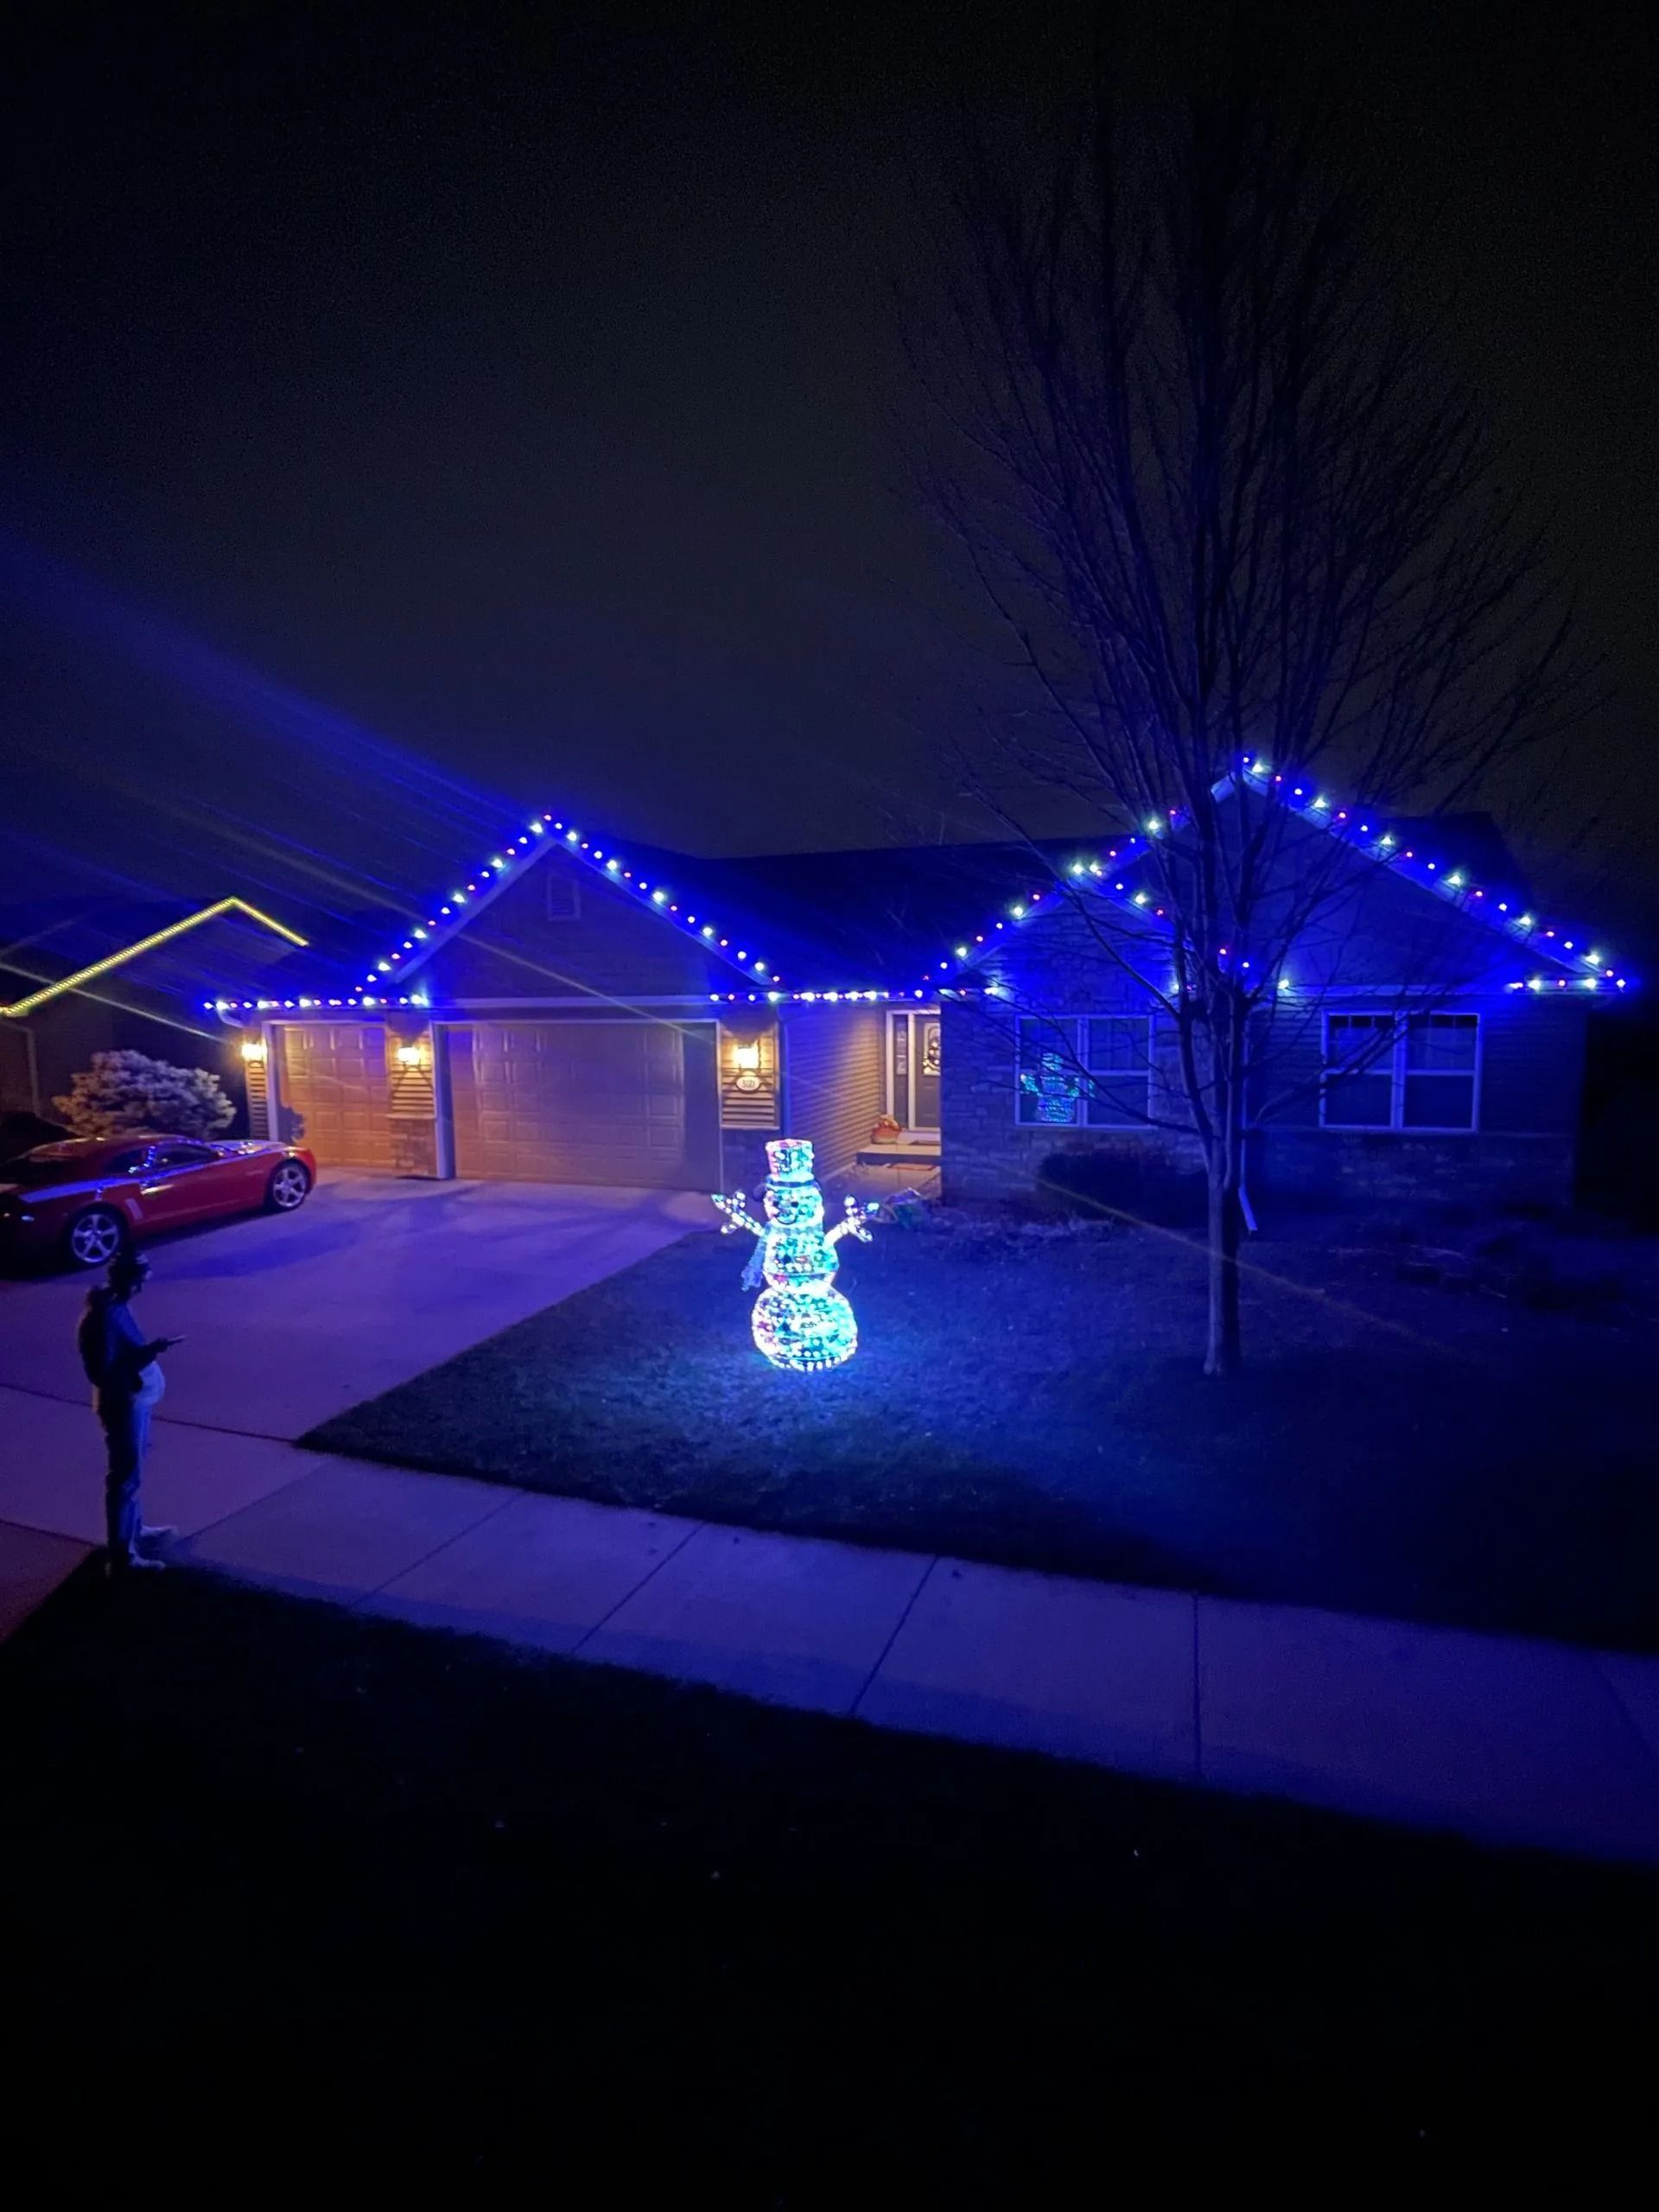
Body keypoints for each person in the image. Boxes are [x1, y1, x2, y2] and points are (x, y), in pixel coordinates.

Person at [77, 1252, 181, 1577]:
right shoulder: (105, 1316)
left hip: (134, 1400)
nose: (141, 1289)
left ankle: (134, 1531)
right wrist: (149, 1352)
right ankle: (122, 1556)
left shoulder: (115, 1306)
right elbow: (104, 1372)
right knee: (124, 1478)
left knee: (131, 1472)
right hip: (123, 1405)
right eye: (138, 1282)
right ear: (124, 1279)